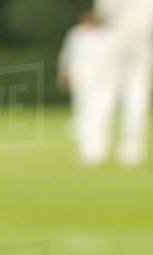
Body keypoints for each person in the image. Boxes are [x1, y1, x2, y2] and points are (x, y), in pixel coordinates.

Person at [96, 0, 153, 167]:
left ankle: (97, 147)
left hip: (117, 35)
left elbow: (104, 9)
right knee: (139, 94)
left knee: (106, 92)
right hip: (145, 37)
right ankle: (132, 151)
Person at [58, 10, 117, 166]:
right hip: (81, 82)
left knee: (103, 113)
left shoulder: (109, 36)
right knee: (84, 114)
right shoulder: (76, 35)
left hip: (105, 83)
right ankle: (88, 150)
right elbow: (67, 56)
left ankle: (100, 149)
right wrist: (64, 73)